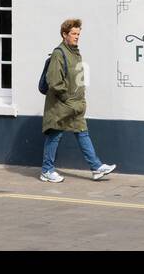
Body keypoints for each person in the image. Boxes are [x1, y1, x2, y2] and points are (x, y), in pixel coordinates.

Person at [40, 18, 115, 183]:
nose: (76, 37)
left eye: (78, 34)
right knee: (55, 135)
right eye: (73, 33)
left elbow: (77, 78)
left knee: (82, 133)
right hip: (61, 104)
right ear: (64, 34)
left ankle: (96, 167)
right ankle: (46, 170)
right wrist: (68, 99)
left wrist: (80, 100)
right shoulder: (59, 54)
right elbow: (54, 81)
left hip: (75, 105)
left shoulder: (75, 52)